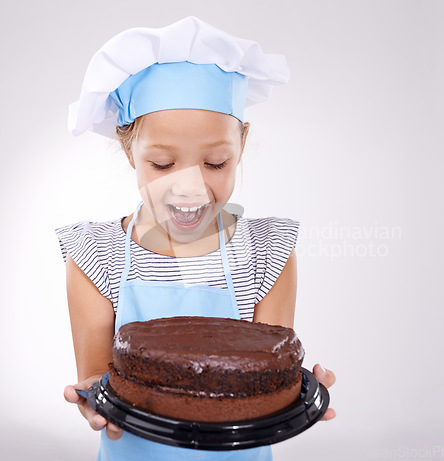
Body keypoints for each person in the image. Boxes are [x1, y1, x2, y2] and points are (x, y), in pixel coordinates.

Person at [55, 16, 336, 461]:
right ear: (129, 150)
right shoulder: (95, 256)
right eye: (163, 165)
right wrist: (91, 401)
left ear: (241, 144)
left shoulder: (267, 253)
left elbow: (265, 370)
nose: (189, 188)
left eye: (217, 163)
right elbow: (96, 378)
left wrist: (296, 392)